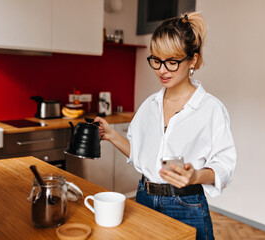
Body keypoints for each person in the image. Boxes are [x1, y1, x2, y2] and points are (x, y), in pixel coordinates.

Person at [94, 12, 236, 240]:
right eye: (156, 60)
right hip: (145, 198)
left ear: (193, 60)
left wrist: (195, 176)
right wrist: (111, 135)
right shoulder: (149, 106)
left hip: (186, 204)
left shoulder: (211, 109)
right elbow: (142, 155)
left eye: (171, 62)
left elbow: (224, 167)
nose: (161, 70)